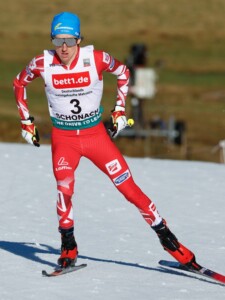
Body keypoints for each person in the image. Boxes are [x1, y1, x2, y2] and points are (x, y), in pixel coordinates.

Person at [13, 12, 197, 269]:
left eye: (69, 40)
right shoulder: (42, 63)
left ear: (79, 39)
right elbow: (18, 83)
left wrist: (119, 111)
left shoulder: (95, 58)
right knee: (64, 190)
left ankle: (172, 242)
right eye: (57, 41)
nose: (63, 47)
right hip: (64, 139)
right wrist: (26, 122)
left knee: (129, 189)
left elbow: (123, 72)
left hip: (95, 137)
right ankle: (68, 247)